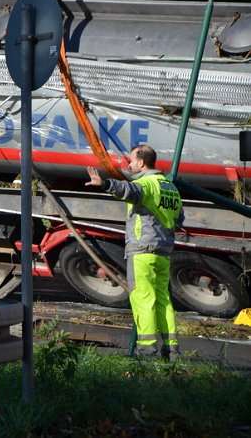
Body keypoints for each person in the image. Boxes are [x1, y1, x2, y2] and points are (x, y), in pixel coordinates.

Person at [85, 144, 184, 360]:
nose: (128, 164)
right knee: (163, 300)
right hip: (163, 252)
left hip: (142, 251)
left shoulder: (145, 184)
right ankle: (172, 350)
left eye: (131, 160)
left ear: (141, 162)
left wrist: (105, 184)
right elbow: (179, 219)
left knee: (143, 298)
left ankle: (146, 350)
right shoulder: (170, 187)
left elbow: (130, 191)